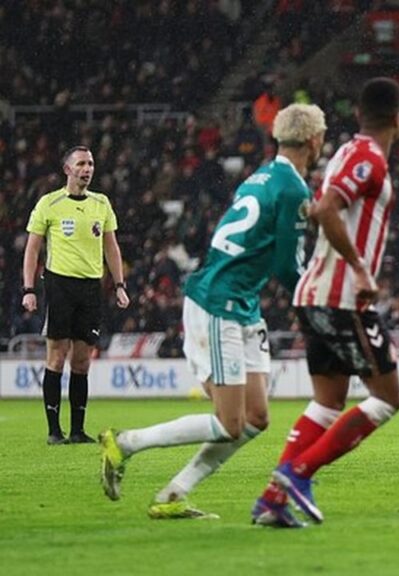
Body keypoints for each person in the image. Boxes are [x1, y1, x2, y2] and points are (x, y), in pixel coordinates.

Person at [98, 103, 326, 520]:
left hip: (241, 302)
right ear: (315, 140)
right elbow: (285, 266)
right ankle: (126, 443)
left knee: (256, 418)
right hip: (219, 303)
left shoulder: (260, 177)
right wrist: (318, 302)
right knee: (230, 422)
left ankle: (173, 494)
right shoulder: (294, 189)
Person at [251, 77, 399, 528]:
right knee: (388, 397)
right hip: (341, 298)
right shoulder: (368, 157)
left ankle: (272, 500)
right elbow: (325, 209)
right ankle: (298, 472)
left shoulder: (345, 152)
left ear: (358, 114)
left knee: (328, 401)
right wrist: (359, 267)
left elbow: (323, 208)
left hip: (315, 294)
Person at [22, 146, 131, 445]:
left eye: (91, 163)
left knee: (82, 361)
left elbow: (111, 247)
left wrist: (119, 284)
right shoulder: (49, 203)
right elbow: (32, 249)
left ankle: (78, 430)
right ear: (67, 169)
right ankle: (54, 431)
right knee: (56, 357)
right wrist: (29, 289)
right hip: (59, 285)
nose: (87, 169)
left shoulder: (101, 203)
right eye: (81, 163)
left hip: (91, 287)